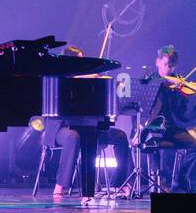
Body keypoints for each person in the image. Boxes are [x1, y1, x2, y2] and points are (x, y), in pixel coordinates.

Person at [46, 45, 132, 199]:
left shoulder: (90, 84)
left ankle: (121, 182)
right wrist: (80, 78)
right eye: (78, 61)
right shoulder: (58, 79)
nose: (82, 65)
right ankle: (60, 185)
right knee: (73, 137)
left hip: (90, 127)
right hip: (61, 129)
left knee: (120, 136)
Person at [146, 44, 196, 192]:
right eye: (165, 65)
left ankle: (180, 179)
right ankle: (161, 182)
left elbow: (184, 117)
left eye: (171, 67)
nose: (167, 70)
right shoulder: (150, 78)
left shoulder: (179, 88)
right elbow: (152, 83)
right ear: (157, 62)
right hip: (153, 129)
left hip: (172, 130)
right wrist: (168, 81)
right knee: (163, 149)